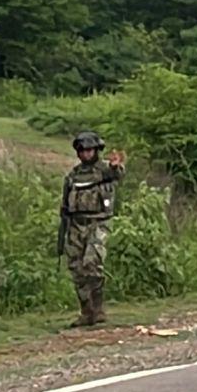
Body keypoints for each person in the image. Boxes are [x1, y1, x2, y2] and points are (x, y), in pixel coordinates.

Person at [58, 132, 125, 328]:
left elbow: (118, 173)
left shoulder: (105, 170)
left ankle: (99, 308)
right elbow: (65, 203)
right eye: (82, 151)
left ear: (96, 151)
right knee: (77, 269)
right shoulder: (74, 175)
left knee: (92, 263)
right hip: (76, 224)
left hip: (98, 222)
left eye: (89, 150)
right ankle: (86, 312)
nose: (86, 154)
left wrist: (116, 165)